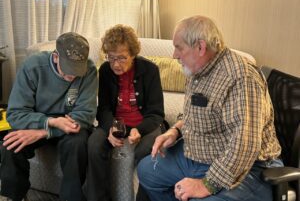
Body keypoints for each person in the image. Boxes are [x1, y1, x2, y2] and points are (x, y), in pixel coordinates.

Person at [137, 15, 283, 201]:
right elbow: (193, 113)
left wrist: (206, 184)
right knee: (147, 171)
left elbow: (245, 145)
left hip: (247, 167)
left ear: (200, 47)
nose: (174, 55)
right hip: (198, 155)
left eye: (179, 47)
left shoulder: (240, 78)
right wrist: (174, 130)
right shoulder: (197, 69)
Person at [0, 32, 98, 201]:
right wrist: (49, 122)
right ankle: (15, 196)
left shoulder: (89, 70)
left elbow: (86, 114)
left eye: (77, 71)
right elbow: (15, 113)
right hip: (38, 119)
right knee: (10, 145)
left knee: (77, 143)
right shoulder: (32, 67)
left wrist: (46, 132)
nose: (72, 76)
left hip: (69, 125)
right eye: (67, 70)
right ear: (55, 57)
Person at [84, 24, 165, 201]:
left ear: (133, 54)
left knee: (146, 151)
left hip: (144, 124)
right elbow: (103, 108)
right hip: (117, 123)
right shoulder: (105, 70)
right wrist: (110, 129)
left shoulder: (150, 70)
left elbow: (157, 113)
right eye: (111, 58)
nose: (116, 64)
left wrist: (140, 130)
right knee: (94, 144)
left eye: (122, 58)